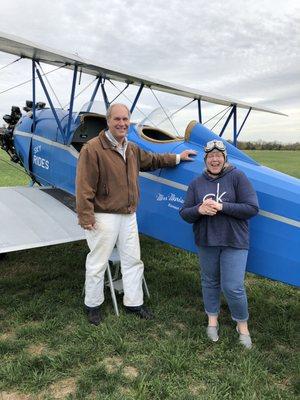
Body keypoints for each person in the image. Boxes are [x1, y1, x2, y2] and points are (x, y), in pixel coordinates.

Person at [76, 103, 196, 325]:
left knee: (133, 260)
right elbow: (84, 186)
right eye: (117, 119)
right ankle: (93, 305)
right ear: (108, 121)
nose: (122, 124)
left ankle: (134, 303)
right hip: (104, 215)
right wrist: (86, 216)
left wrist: (178, 158)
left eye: (125, 120)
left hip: (129, 214)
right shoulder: (92, 149)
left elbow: (153, 160)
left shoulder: (130, 148)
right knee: (98, 262)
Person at [179, 140, 258, 348]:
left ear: (224, 159)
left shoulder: (237, 177)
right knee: (209, 281)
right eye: (210, 156)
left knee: (233, 287)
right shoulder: (197, 183)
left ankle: (242, 325)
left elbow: (251, 207)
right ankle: (212, 320)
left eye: (218, 156)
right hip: (207, 241)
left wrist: (221, 206)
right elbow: (185, 214)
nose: (215, 159)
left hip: (234, 241)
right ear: (205, 160)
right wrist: (199, 210)